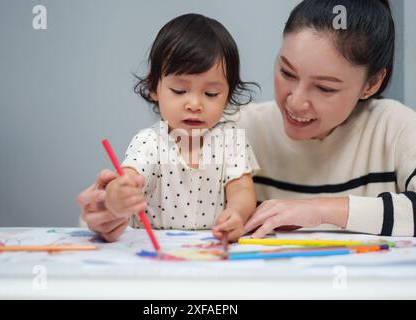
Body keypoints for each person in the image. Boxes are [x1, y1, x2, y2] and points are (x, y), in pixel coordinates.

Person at [80, 0, 416, 241]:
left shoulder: (396, 128)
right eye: (286, 72)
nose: (295, 101)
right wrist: (104, 214)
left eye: (325, 87)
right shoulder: (228, 127)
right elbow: (118, 206)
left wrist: (322, 210)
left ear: (371, 83)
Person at [78, 13, 259, 242]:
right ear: (154, 87)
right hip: (154, 250)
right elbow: (128, 179)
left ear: (227, 95)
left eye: (211, 94)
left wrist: (237, 214)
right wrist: (116, 197)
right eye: (180, 91)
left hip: (210, 248)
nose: (194, 104)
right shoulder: (150, 142)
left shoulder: (232, 139)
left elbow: (242, 190)